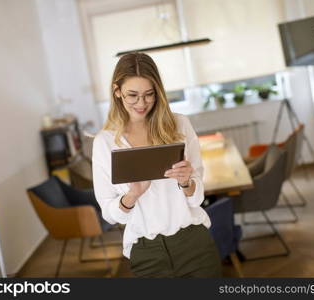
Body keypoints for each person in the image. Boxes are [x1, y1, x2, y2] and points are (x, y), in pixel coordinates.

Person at [92, 52, 222, 278]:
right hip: (145, 251)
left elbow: (197, 196)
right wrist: (131, 196)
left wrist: (186, 182)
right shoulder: (105, 142)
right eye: (132, 95)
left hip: (193, 242)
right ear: (117, 91)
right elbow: (110, 213)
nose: (141, 103)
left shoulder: (180, 125)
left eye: (149, 94)